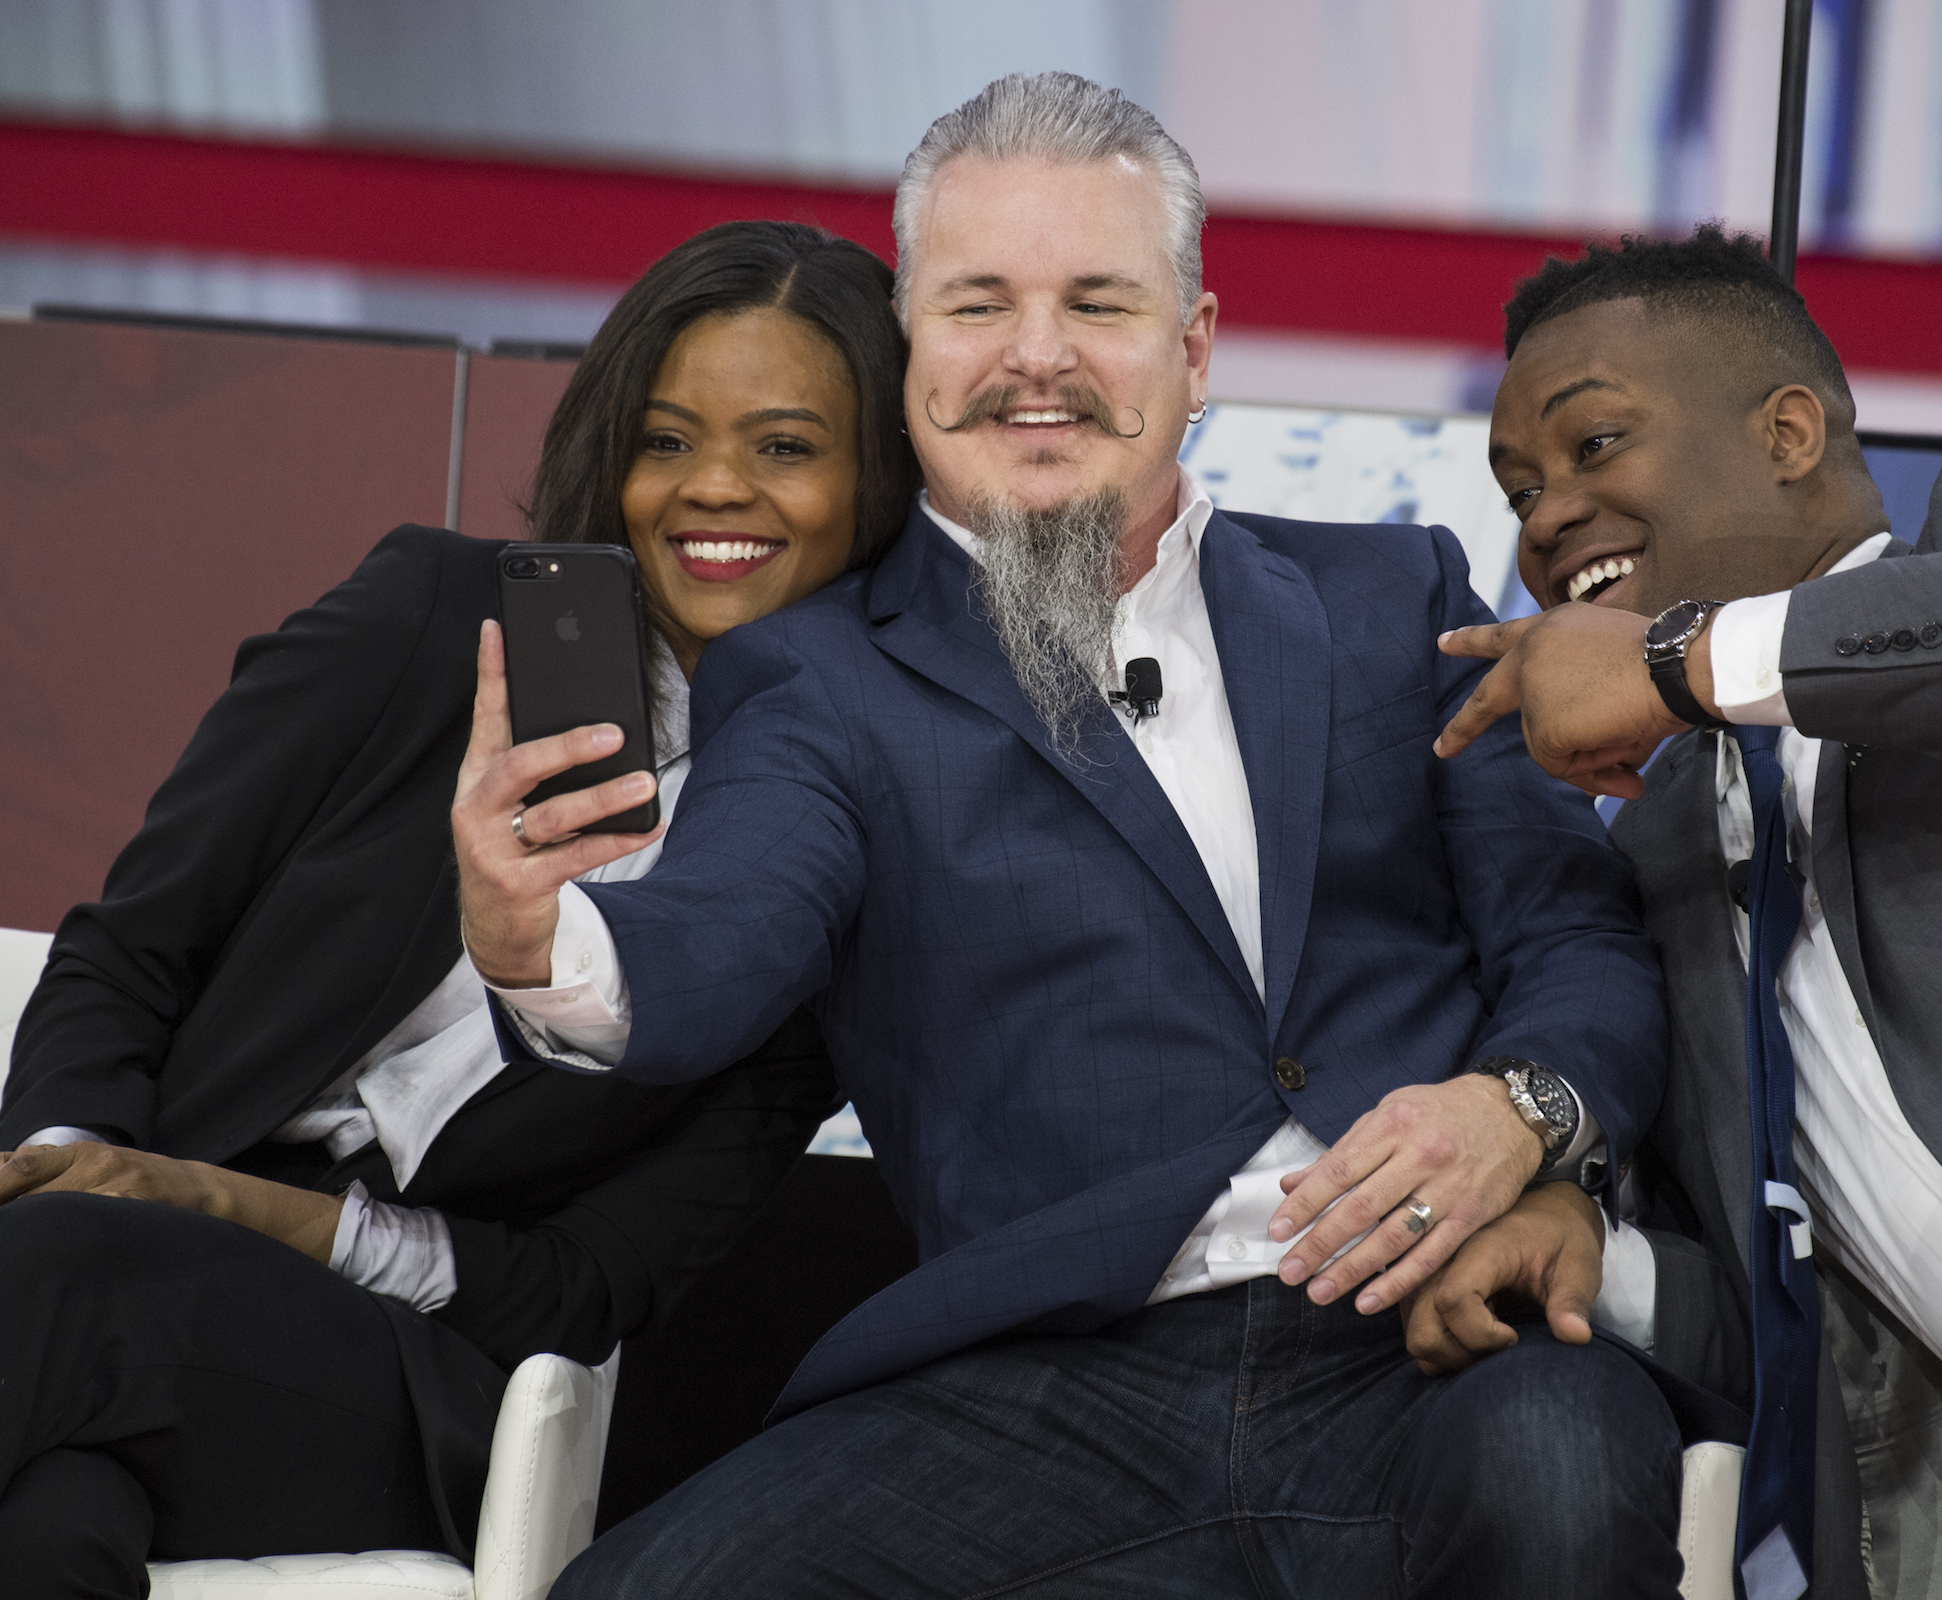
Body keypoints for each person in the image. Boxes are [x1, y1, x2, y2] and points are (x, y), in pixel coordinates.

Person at [454, 74, 1694, 1600]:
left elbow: (1574, 940)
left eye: (1098, 303)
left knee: (1565, 1479)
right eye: (980, 305)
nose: (1036, 360)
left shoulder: (1396, 596)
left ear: (1194, 345)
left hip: (1430, 1339)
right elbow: (720, 930)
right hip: (1044, 1389)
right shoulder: (820, 677)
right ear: (912, 348)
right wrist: (546, 940)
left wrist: (1520, 1115)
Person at [0, 219, 917, 1599]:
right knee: (43, 1536)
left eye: (786, 446)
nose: (710, 487)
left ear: (880, 485)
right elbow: (130, 950)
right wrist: (76, 1153)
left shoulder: (847, 861)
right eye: (665, 440)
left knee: (57, 1286)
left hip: (387, 1371)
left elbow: (587, 1285)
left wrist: (209, 1209)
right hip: (74, 1243)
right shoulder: (425, 617)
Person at [1420, 226, 1942, 1599]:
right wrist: (1604, 1265)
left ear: (1791, 431)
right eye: (1517, 487)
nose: (1546, 515)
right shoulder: (1659, 859)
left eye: (1594, 447)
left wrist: (1686, 662)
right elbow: (1799, 1306)